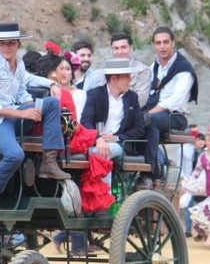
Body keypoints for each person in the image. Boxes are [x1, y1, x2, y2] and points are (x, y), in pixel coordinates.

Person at [0, 22, 70, 210]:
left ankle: (49, 161)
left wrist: (50, 86)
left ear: (18, 45)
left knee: (52, 103)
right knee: (15, 154)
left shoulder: (18, 64)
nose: (7, 47)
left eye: (11, 43)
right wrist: (23, 112)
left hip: (15, 116)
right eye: (3, 43)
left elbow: (23, 85)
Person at [136, 26, 199, 188]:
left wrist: (147, 114)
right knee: (134, 119)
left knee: (150, 120)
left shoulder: (183, 69)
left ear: (173, 43)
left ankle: (149, 173)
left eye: (165, 42)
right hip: (153, 112)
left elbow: (175, 101)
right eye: (158, 43)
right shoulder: (154, 67)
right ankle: (152, 162)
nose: (162, 46)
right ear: (153, 45)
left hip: (175, 116)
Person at [81, 58, 145, 193]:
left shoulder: (132, 97)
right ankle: (97, 202)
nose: (130, 80)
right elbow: (86, 121)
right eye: (127, 76)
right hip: (95, 142)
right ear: (114, 78)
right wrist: (97, 139)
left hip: (119, 143)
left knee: (103, 153)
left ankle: (104, 201)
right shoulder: (95, 94)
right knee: (99, 152)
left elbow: (139, 128)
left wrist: (116, 138)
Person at [188, 128, 210, 247]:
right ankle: (208, 235)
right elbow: (196, 172)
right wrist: (188, 185)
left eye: (209, 140)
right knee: (200, 213)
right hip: (209, 189)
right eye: (206, 140)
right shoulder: (203, 156)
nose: (206, 142)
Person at [110, 32, 152, 108]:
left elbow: (140, 100)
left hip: (130, 114)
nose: (119, 52)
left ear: (131, 48)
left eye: (123, 47)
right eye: (116, 48)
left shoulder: (143, 70)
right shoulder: (108, 71)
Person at [178, 128, 205, 238]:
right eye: (198, 139)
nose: (200, 142)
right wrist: (183, 181)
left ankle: (200, 231)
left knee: (201, 207)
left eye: (202, 140)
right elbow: (182, 166)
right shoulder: (185, 149)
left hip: (202, 183)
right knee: (187, 206)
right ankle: (188, 231)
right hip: (190, 181)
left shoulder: (206, 152)